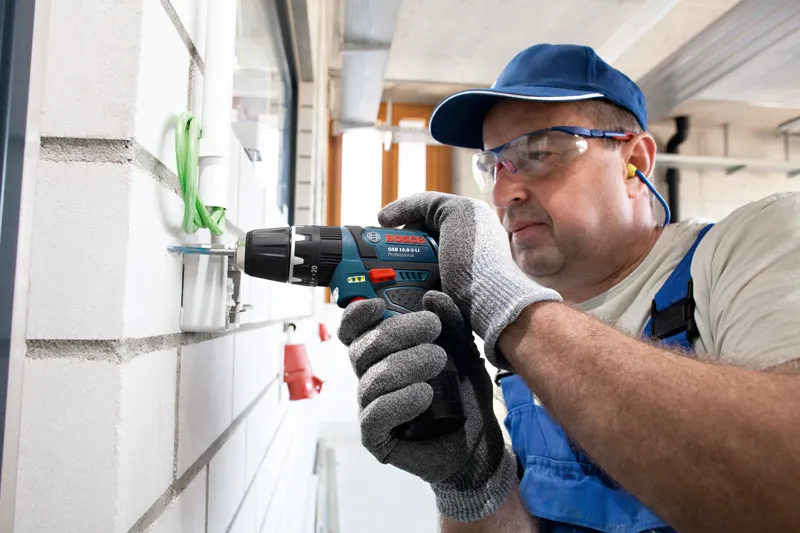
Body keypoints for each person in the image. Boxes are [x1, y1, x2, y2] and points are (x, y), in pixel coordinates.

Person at [337, 43, 800, 533]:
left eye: (538, 153)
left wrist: (510, 311)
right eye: (492, 165)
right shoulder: (510, 361)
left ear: (634, 161)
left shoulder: (753, 243)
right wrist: (470, 486)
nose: (502, 192)